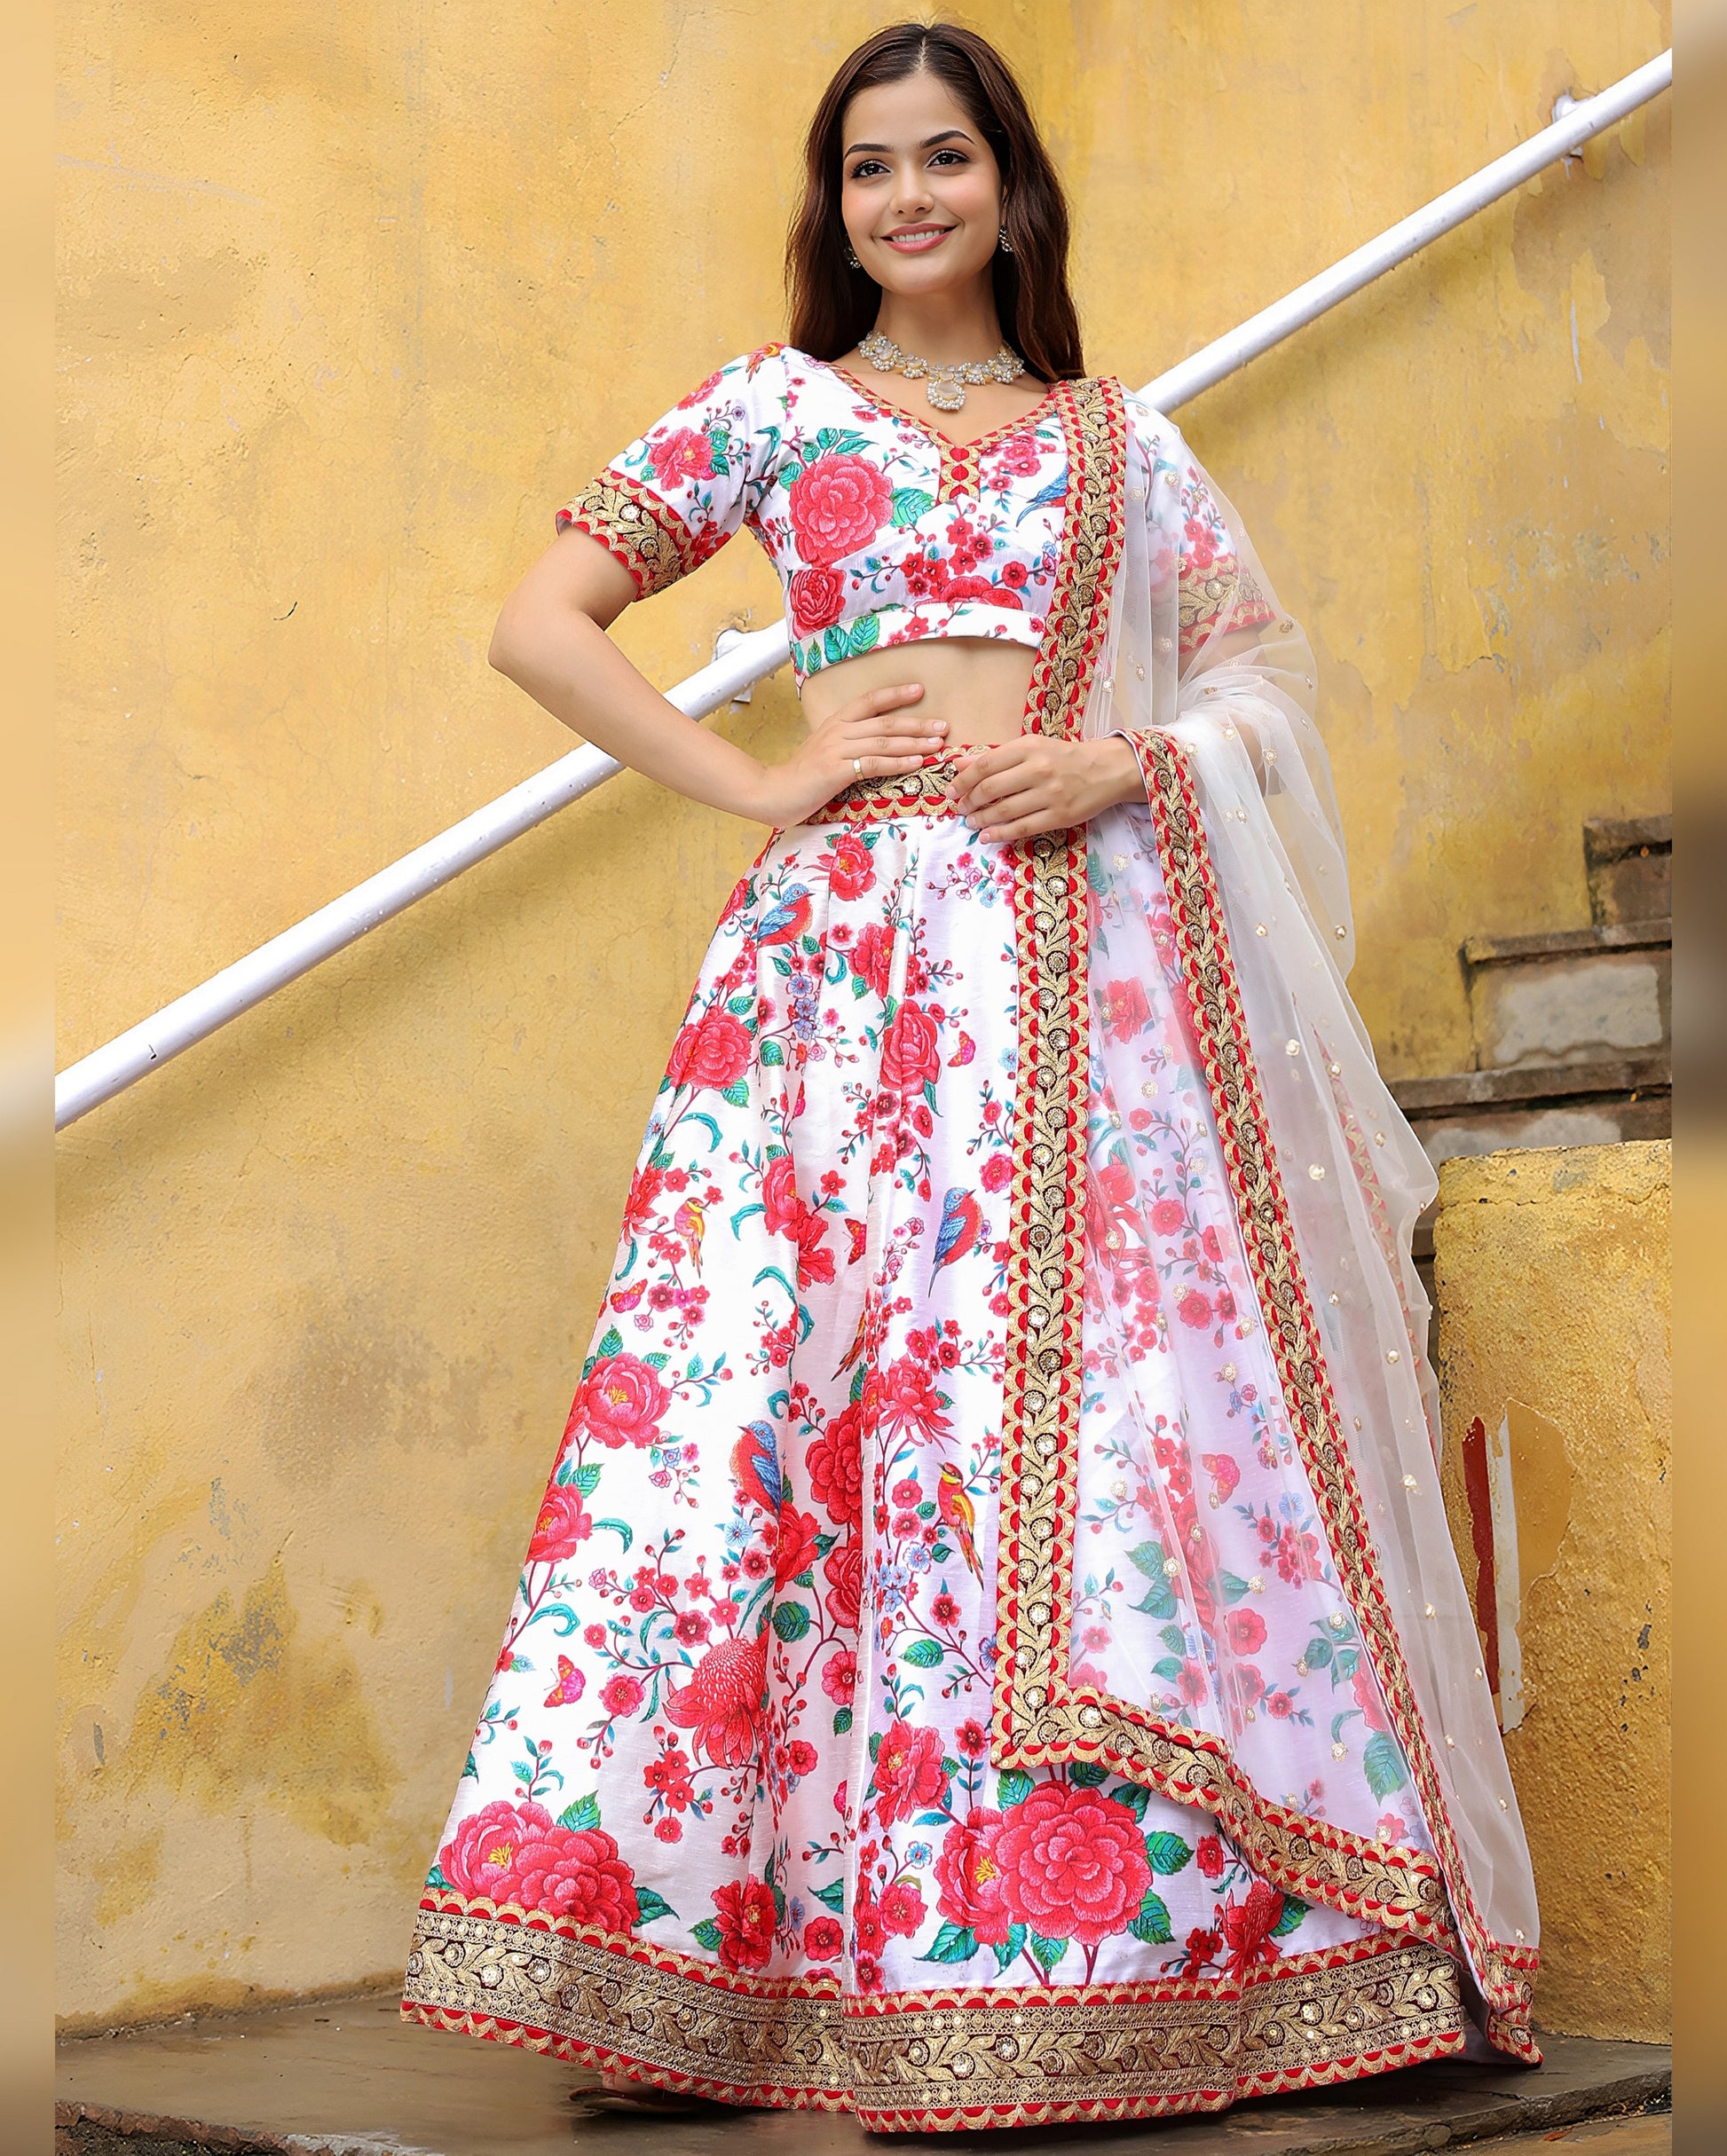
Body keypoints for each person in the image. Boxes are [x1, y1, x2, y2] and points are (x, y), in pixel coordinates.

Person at [401, 21, 1538, 2132]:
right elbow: (542, 620)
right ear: (832, 206)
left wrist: (1124, 757)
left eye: (943, 159)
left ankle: (1126, 1956)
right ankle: (709, 1970)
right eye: (866, 169)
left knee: (1082, 1427)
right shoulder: (769, 409)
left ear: (1010, 188)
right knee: (774, 1406)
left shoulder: (1118, 439)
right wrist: (755, 773)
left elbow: (1260, 672)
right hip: (831, 981)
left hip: (1081, 964)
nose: (906, 198)